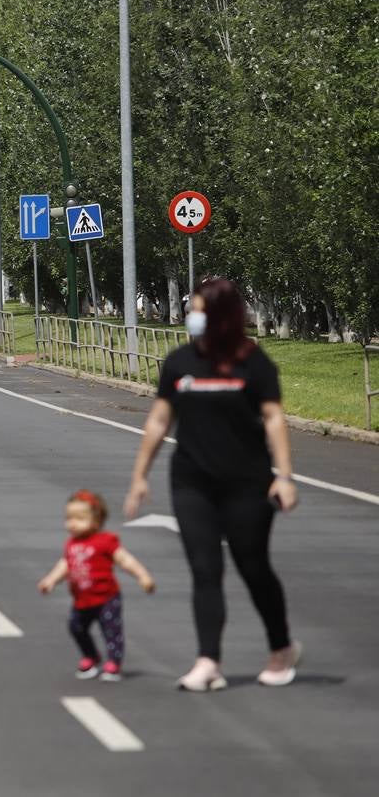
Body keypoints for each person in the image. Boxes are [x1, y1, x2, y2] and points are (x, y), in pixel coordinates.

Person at [125, 278, 300, 691]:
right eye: (191, 309)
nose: (193, 317)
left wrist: (285, 477)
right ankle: (208, 661)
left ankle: (281, 648)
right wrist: (139, 476)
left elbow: (274, 419)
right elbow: (159, 420)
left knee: (253, 566)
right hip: (192, 482)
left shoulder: (252, 363)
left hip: (247, 483)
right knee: (206, 570)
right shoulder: (180, 362)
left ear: (221, 315)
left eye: (200, 309)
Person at [38, 490, 155, 682]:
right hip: (82, 600)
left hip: (107, 598)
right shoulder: (71, 544)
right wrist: (51, 580)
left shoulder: (105, 541)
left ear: (97, 520)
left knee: (111, 630)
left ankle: (114, 662)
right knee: (76, 627)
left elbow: (125, 560)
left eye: (79, 518)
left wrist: (143, 576)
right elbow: (65, 564)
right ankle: (91, 656)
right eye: (69, 518)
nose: (72, 523)